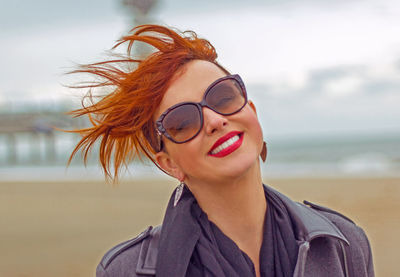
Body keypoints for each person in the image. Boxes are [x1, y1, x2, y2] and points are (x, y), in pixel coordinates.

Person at [68, 24, 374, 277]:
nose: (215, 121)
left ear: (251, 111)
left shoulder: (343, 243)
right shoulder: (124, 271)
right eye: (183, 121)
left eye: (223, 97)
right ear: (168, 163)